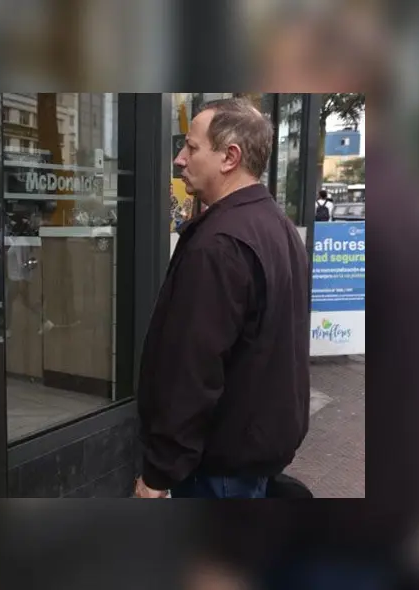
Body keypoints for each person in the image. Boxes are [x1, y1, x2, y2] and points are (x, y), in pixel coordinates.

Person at [133, 98, 311, 499]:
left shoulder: (220, 244)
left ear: (230, 157)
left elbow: (191, 370)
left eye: (191, 147)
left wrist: (159, 473)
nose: (180, 159)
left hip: (216, 470)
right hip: (250, 459)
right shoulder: (278, 226)